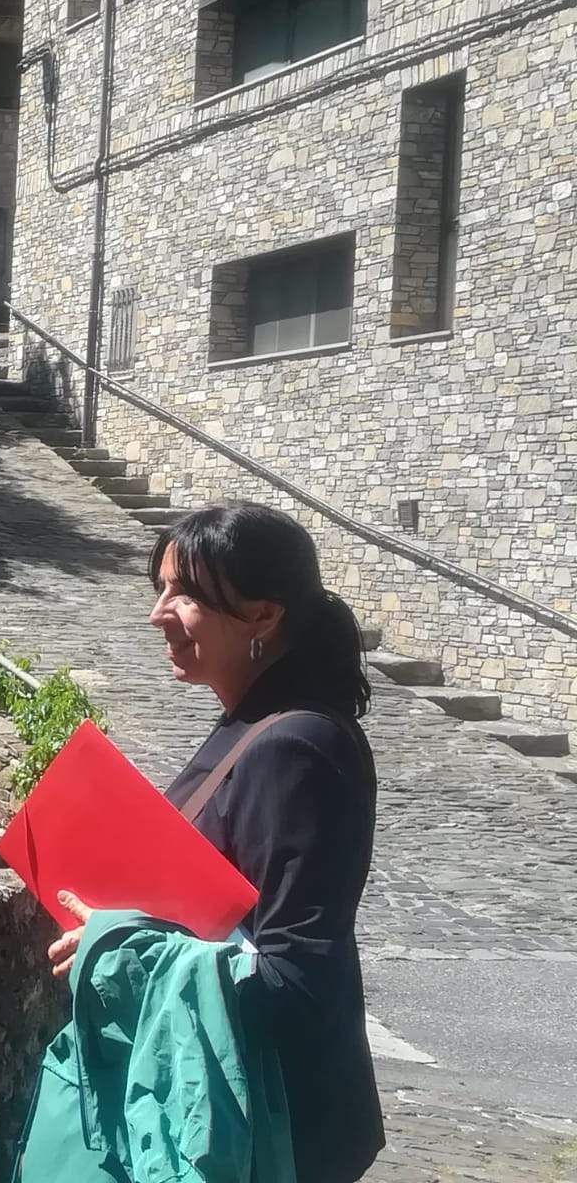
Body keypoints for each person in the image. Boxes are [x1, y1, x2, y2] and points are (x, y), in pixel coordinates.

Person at [47, 502, 384, 1183]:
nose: (158, 613)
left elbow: (298, 983)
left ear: (264, 615)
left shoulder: (295, 746)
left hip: (265, 1135)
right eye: (161, 589)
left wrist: (120, 948)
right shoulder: (255, 725)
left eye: (186, 594)